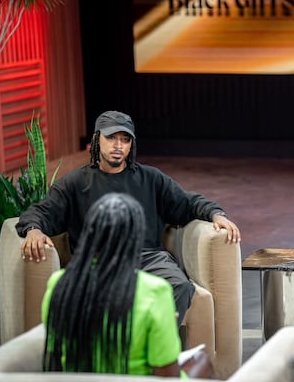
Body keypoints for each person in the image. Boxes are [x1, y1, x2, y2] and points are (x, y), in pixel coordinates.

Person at [17, 110, 241, 325]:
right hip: (97, 260)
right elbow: (40, 212)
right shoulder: (75, 183)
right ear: (97, 140)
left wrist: (215, 214)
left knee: (180, 286)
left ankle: (154, 350)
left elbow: (187, 202)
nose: (118, 145)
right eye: (111, 138)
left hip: (147, 258)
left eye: (125, 139)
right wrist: (34, 229)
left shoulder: (150, 178)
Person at [42, 192, 208, 377]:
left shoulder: (59, 283)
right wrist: (166, 322)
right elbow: (167, 374)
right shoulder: (154, 291)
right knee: (201, 361)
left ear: (89, 235)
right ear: (135, 238)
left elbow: (54, 351)